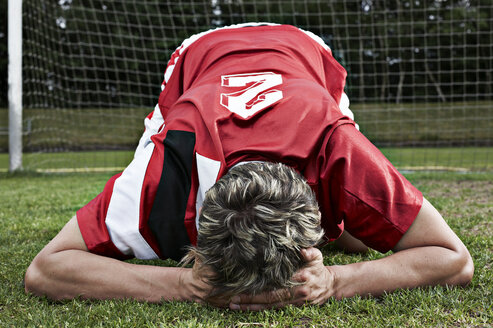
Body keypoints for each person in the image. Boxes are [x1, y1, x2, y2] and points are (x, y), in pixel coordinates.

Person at [24, 23, 473, 310]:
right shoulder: (166, 166)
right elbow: (45, 270)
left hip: (303, 50)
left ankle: (342, 225)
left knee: (353, 241)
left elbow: (454, 260)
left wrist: (334, 280)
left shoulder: (340, 149)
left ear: (318, 196)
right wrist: (185, 286)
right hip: (199, 55)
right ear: (195, 227)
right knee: (360, 239)